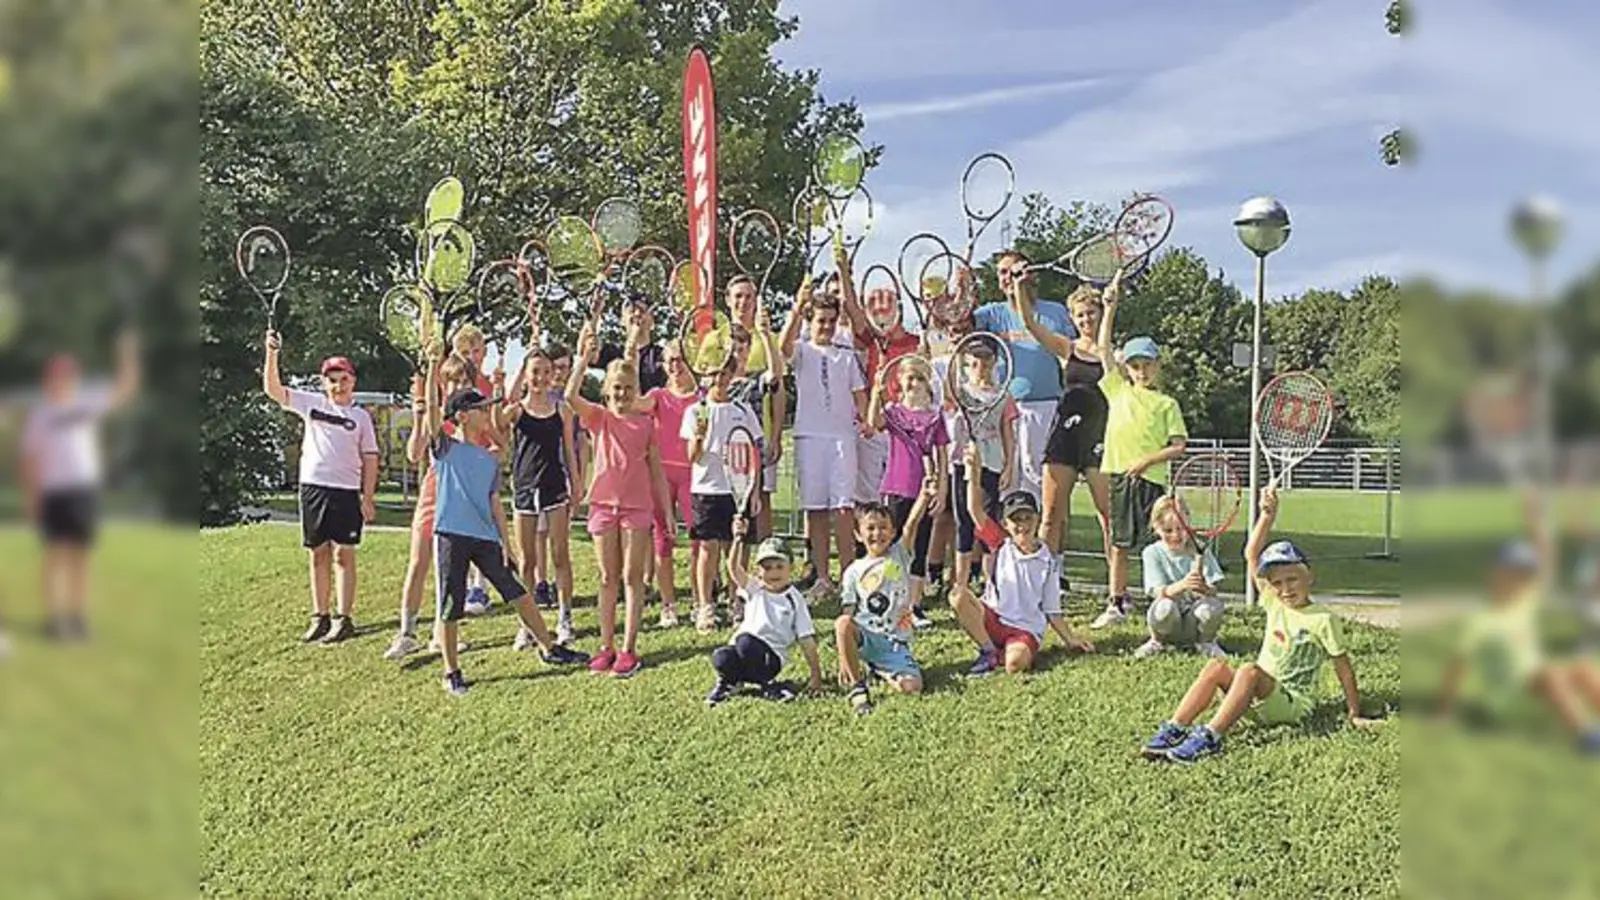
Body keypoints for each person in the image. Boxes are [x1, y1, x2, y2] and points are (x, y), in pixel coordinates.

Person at [1141, 488, 1383, 763]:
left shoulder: (1322, 619)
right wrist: (1267, 515)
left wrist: (1355, 713)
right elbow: (1251, 553)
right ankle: (1175, 728)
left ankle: (1210, 737)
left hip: (1292, 705)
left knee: (1249, 670)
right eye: (1277, 583)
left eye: (1293, 579)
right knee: (1216, 667)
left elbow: (1344, 668)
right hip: (1255, 696)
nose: (1285, 588)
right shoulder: (1273, 602)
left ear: (1310, 577)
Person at [413, 378, 589, 696]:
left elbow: (494, 502)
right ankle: (451, 671)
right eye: (480, 410)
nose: (487, 415)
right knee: (452, 604)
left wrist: (506, 544)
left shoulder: (489, 458)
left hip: (485, 537)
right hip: (452, 536)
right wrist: (431, 366)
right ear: (463, 415)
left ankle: (549, 648)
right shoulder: (446, 448)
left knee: (518, 591)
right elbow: (432, 413)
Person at [1431, 498, 1600, 754]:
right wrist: (1443, 712)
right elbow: (1457, 667)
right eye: (1513, 572)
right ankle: (1586, 736)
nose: (1519, 578)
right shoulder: (1481, 621)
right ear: (1496, 574)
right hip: (1509, 698)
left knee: (1582, 669)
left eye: (1523, 573)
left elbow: (1547, 558)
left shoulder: (1523, 601)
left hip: (1537, 686)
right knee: (1550, 674)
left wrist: (1533, 520)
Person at [16, 331, 140, 644]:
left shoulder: (86, 402)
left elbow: (124, 390)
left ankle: (77, 618)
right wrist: (31, 500)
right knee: (54, 558)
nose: (62, 380)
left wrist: (127, 354)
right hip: (54, 494)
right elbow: (30, 460)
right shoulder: (41, 415)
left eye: (67, 375)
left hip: (82, 493)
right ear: (49, 380)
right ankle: (54, 619)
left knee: (81, 559)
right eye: (57, 376)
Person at [568, 324, 673, 679]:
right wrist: (584, 358)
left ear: (635, 391)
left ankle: (628, 648)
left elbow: (657, 473)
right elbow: (570, 396)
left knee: (632, 577)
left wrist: (667, 513)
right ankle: (606, 645)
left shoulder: (645, 424)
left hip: (638, 509)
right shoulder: (599, 418)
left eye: (628, 389)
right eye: (616, 388)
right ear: (606, 389)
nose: (622, 394)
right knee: (606, 577)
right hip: (602, 506)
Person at [262, 331, 378, 644]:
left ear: (353, 381)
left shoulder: (361, 417)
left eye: (343, 378)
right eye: (331, 380)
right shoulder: (311, 404)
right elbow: (273, 390)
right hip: (314, 488)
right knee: (318, 554)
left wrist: (367, 498)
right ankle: (320, 616)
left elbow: (370, 459)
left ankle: (344, 617)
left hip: (346, 491)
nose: (337, 385)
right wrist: (272, 353)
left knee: (344, 554)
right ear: (323, 382)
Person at [1008, 261, 1115, 583]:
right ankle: (1044, 581)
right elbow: (1029, 323)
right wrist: (1018, 286)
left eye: (1091, 313)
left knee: (1108, 516)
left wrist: (1111, 307)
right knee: (1052, 515)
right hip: (1065, 436)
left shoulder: (1114, 355)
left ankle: (1116, 591)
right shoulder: (1066, 349)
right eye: (1080, 315)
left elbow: (1110, 362)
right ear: (1072, 318)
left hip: (1100, 438)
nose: (1086, 320)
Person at [950, 444, 1094, 675]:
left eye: (1027, 518)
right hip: (993, 617)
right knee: (958, 596)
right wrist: (974, 473)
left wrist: (1071, 640)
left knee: (1015, 665)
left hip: (1023, 629)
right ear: (1005, 524)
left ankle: (1005, 652)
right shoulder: (1001, 544)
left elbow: (1052, 610)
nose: (1022, 525)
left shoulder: (1047, 560)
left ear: (1037, 520)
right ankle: (988, 650)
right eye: (1015, 520)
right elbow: (974, 509)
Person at [1091, 285, 1188, 629]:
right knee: (1119, 543)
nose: (1141, 371)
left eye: (1147, 365)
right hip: (1120, 476)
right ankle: (1116, 603)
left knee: (1156, 545)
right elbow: (1102, 349)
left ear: (1158, 366)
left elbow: (1179, 445)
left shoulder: (1167, 404)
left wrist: (1147, 461)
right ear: (1127, 368)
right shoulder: (1117, 391)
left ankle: (1160, 601)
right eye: (1135, 365)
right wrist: (1109, 308)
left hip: (1152, 481)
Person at [780, 283, 867, 601]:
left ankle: (848, 579)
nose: (827, 326)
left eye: (831, 320)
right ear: (810, 321)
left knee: (844, 509)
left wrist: (870, 421)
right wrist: (797, 305)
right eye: (821, 320)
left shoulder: (846, 356)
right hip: (809, 437)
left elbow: (860, 396)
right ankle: (822, 578)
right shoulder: (802, 350)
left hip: (843, 438)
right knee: (815, 511)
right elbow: (782, 347)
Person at [971, 250, 1076, 506]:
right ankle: (1010, 544)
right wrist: (963, 287)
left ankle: (1046, 543)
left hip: (1046, 407)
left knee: (1041, 482)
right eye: (1003, 273)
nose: (1009, 278)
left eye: (1014, 271)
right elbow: (957, 323)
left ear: (1031, 273)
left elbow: (1075, 352)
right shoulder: (991, 314)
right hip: (1005, 410)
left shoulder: (1056, 312)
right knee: (1007, 481)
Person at [502, 344, 582, 649]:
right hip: (524, 489)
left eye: (546, 372)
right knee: (528, 562)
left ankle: (564, 619)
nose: (541, 378)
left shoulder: (561, 410)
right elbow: (498, 420)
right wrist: (506, 381)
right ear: (526, 374)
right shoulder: (517, 411)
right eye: (535, 372)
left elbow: (568, 450)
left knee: (560, 555)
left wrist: (575, 483)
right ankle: (527, 624)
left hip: (553, 488)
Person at [835, 477, 936, 715]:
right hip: (866, 637)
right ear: (858, 535)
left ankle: (879, 669)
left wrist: (924, 496)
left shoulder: (899, 556)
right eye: (870, 528)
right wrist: (843, 657)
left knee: (912, 687)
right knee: (842, 623)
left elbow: (911, 525)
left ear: (892, 532)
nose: (877, 533)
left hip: (894, 641)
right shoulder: (853, 571)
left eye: (883, 527)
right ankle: (857, 688)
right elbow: (848, 613)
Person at [683, 342, 763, 633]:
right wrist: (699, 437)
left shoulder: (742, 411)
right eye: (714, 374)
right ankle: (705, 605)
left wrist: (754, 493)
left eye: (725, 373)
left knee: (737, 547)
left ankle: (736, 601)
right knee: (708, 548)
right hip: (706, 489)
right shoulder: (696, 411)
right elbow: (692, 457)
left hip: (738, 490)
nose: (720, 379)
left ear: (731, 374)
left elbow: (755, 453)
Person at [867, 354, 948, 629]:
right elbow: (873, 424)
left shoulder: (935, 417)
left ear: (928, 383)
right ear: (900, 382)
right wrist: (876, 394)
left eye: (919, 378)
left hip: (923, 489)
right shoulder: (893, 412)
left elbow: (942, 454)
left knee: (919, 547)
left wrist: (942, 489)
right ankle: (887, 598)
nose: (913, 384)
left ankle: (914, 606)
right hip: (896, 486)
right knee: (891, 543)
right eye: (909, 378)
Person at [705, 524, 824, 706]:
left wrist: (816, 675)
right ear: (758, 571)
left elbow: (806, 639)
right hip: (742, 650)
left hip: (770, 658)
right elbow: (733, 568)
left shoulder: (794, 599)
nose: (773, 572)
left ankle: (769, 683)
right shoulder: (755, 589)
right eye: (767, 567)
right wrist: (738, 538)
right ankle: (730, 682)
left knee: (745, 641)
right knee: (721, 657)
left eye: (779, 566)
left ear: (790, 568)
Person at [946, 335, 1017, 592]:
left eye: (986, 363)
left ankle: (992, 583)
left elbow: (1008, 433)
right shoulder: (961, 392)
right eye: (974, 363)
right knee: (963, 521)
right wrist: (952, 355)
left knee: (985, 520)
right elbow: (946, 391)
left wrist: (1009, 465)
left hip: (991, 463)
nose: (981, 369)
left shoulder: (1002, 395)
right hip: (962, 462)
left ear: (994, 364)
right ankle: (961, 584)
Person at [643, 340, 699, 629]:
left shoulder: (702, 397)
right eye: (670, 361)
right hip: (661, 475)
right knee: (662, 539)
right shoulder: (657, 395)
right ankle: (669, 605)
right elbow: (630, 404)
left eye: (680, 359)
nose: (676, 366)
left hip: (694, 474)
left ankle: (700, 601)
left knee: (698, 540)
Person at [1136, 496, 1227, 659]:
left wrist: (1204, 588)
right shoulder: (1152, 552)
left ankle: (1206, 642)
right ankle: (1158, 641)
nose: (1176, 535)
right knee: (1165, 607)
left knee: (1213, 606)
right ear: (1156, 528)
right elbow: (1157, 592)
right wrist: (1184, 584)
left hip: (1193, 620)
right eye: (1168, 531)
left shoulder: (1199, 548)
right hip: (1169, 620)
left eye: (1181, 528)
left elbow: (1213, 589)